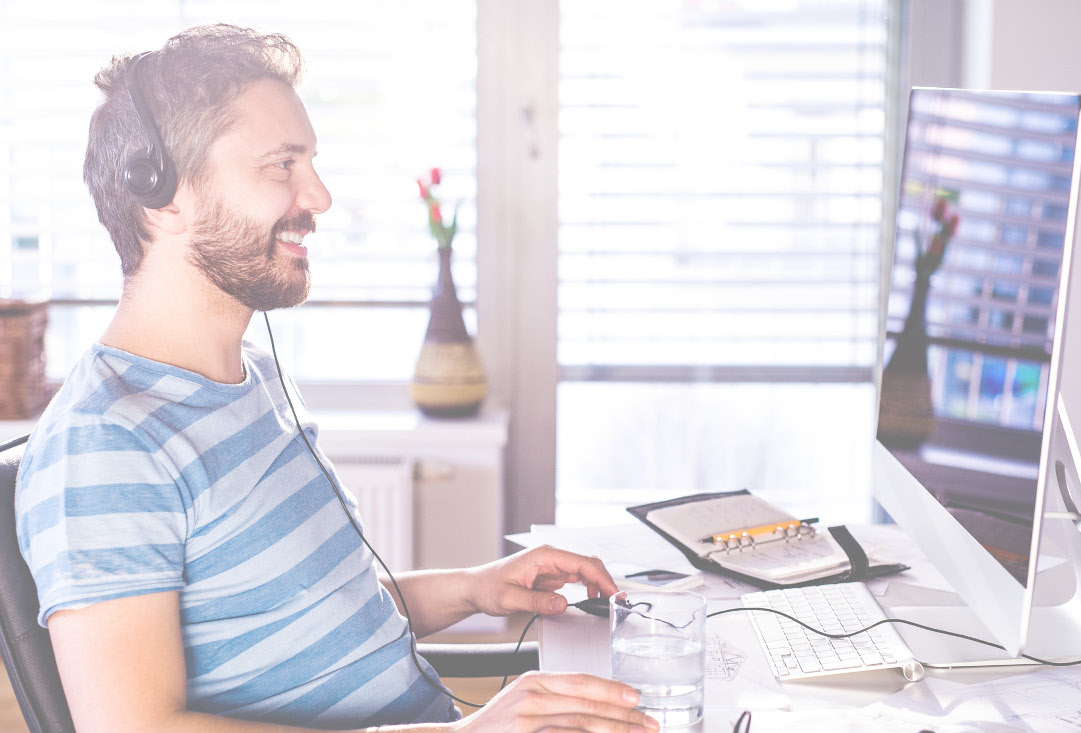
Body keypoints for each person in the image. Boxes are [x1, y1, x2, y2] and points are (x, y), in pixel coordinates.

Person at [15, 25, 658, 733]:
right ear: (163, 195)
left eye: (311, 163)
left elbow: (311, 621)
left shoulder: (249, 379)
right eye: (281, 166)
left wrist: (475, 588)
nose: (318, 197)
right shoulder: (105, 443)